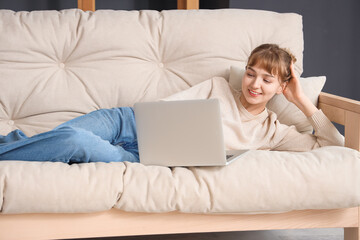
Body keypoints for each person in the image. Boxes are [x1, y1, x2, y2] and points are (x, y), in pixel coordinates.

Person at [0, 44, 344, 163]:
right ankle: (13, 144)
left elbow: (334, 146)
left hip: (138, 157)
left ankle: (12, 144)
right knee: (61, 137)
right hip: (127, 122)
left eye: (267, 80)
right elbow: (162, 110)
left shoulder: (272, 133)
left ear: (281, 86)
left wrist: (301, 100)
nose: (254, 84)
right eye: (251, 73)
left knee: (70, 142)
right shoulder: (218, 87)